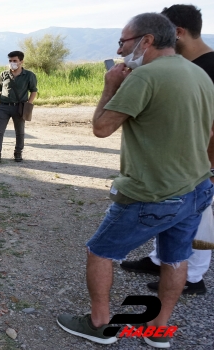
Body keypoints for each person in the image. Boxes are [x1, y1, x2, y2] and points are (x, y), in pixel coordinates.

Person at [56, 13, 214, 349]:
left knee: (100, 252)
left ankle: (99, 324)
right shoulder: (199, 74)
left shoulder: (145, 77)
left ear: (146, 40)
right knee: (175, 258)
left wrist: (110, 85)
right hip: (196, 187)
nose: (120, 49)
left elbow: (101, 128)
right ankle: (158, 329)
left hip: (152, 191)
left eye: (123, 42)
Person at [120, 4, 214, 296]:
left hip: (201, 166)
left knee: (197, 221)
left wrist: (207, 169)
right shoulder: (185, 66)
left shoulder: (207, 68)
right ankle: (160, 259)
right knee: (171, 214)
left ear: (177, 32)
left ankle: (193, 277)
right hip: (177, 166)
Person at [0, 51, 38, 164]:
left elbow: (33, 91)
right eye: (10, 61)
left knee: (19, 132)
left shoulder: (29, 75)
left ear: (21, 61)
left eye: (15, 61)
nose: (12, 63)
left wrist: (28, 105)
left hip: (19, 107)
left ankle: (18, 153)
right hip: (3, 107)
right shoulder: (3, 74)